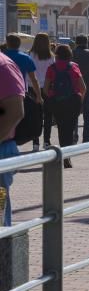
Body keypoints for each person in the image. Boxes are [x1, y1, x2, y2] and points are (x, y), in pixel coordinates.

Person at [43, 45, 86, 168]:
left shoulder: (51, 68)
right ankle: (68, 155)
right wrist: (80, 100)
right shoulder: (74, 67)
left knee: (61, 128)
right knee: (71, 128)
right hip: (73, 101)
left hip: (57, 102)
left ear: (56, 54)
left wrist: (52, 97)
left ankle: (63, 153)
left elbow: (45, 89)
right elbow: (83, 88)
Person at [0, 52, 25, 226]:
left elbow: (15, 110)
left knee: (0, 219)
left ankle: (4, 250)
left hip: (2, 147)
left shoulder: (3, 66)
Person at [29, 33, 55, 151]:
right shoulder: (51, 56)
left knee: (35, 115)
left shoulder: (31, 55)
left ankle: (35, 142)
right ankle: (47, 141)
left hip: (33, 87)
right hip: (47, 87)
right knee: (48, 115)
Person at [3, 34, 43, 107]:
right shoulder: (26, 58)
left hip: (3, 92)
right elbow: (34, 79)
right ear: (19, 44)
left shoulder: (2, 56)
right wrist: (39, 96)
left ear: (7, 43)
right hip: (20, 92)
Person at [73, 35, 89, 143]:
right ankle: (87, 139)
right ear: (87, 43)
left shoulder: (72, 53)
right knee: (88, 114)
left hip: (75, 86)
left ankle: (74, 137)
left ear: (76, 42)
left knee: (74, 114)